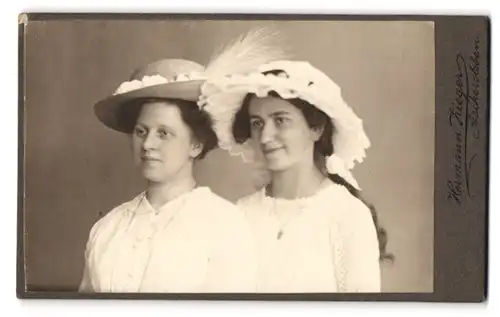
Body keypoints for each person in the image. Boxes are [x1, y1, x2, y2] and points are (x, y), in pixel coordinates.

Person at [79, 29, 287, 293]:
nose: (148, 144)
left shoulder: (225, 225)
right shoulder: (108, 228)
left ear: (195, 144)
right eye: (141, 132)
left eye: (164, 133)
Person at [200, 60, 394, 293]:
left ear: (316, 128)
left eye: (280, 120)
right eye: (257, 123)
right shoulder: (239, 214)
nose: (265, 136)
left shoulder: (348, 215)